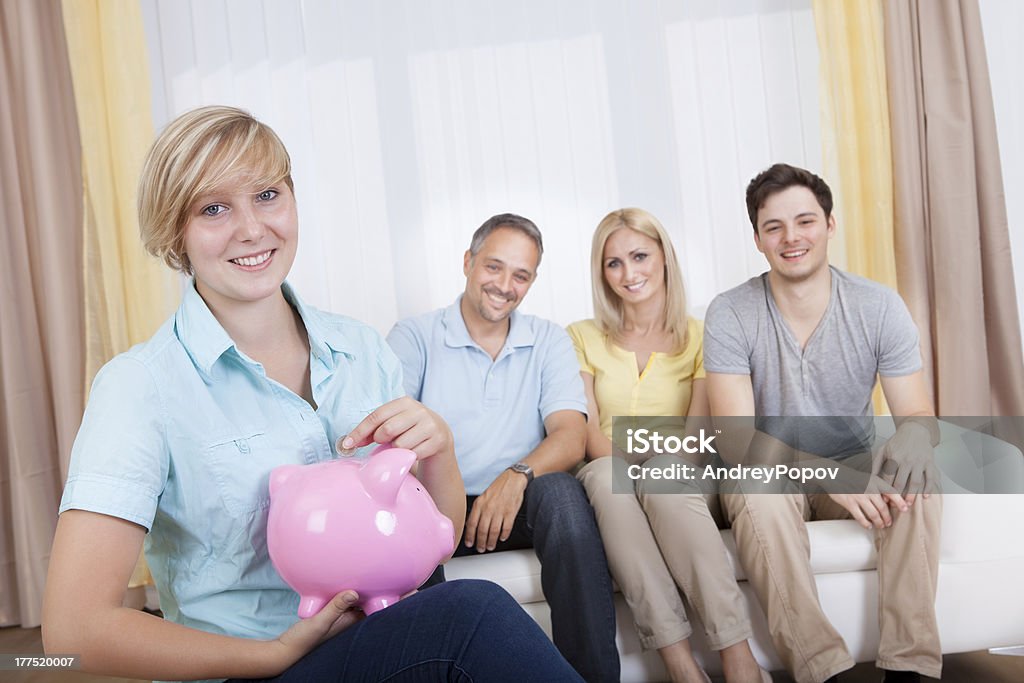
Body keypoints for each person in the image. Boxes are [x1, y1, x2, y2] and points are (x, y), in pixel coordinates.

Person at [42, 106, 584, 683]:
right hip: (258, 670)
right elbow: (73, 632)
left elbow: (433, 541)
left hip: (382, 647)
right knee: (473, 614)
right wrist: (269, 655)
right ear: (175, 230)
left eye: (268, 195)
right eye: (214, 208)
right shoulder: (140, 387)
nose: (252, 228)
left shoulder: (361, 348)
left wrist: (441, 449)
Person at [704, 163, 942, 683]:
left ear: (830, 225)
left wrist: (918, 439)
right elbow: (737, 441)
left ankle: (910, 668)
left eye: (805, 221)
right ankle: (824, 671)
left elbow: (917, 415)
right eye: (774, 227)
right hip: (769, 472)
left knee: (918, 477)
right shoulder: (730, 313)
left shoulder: (878, 306)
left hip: (852, 464)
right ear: (758, 239)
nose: (792, 238)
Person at [386, 214, 620, 683]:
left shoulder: (548, 339)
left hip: (518, 504)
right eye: (494, 267)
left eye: (521, 275)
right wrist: (443, 502)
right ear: (468, 262)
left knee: (563, 495)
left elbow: (571, 436)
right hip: (438, 506)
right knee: (406, 517)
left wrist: (516, 476)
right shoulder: (414, 336)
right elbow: (394, 438)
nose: (504, 285)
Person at [570, 208, 771, 683]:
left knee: (661, 478)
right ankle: (680, 664)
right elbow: (588, 430)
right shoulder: (581, 337)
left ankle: (738, 656)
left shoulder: (703, 336)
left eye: (639, 256)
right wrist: (629, 468)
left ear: (664, 258)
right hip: (609, 468)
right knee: (604, 478)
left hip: (684, 474)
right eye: (613, 262)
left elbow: (697, 434)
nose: (628, 273)